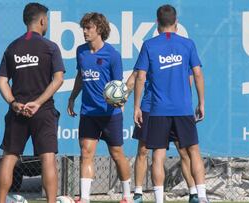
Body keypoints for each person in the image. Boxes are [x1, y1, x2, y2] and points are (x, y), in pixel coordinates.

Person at [133, 4, 209, 203]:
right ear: (176, 23)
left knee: (158, 154)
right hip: (183, 109)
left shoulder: (149, 45)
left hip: (158, 110)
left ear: (157, 24)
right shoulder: (188, 44)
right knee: (193, 152)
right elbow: (198, 74)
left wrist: (137, 106)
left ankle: (159, 199)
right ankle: (202, 197)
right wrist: (201, 103)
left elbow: (140, 77)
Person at [0, 3, 65, 203]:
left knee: (9, 157)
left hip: (18, 111)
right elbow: (58, 79)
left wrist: (13, 103)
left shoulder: (12, 47)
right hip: (42, 111)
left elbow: (1, 81)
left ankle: (0, 201)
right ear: (42, 20)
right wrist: (38, 102)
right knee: (48, 158)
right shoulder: (50, 46)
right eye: (47, 21)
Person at [67, 12, 131, 203]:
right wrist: (72, 98)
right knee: (86, 152)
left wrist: (120, 103)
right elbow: (80, 76)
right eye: (83, 28)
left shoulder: (112, 55)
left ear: (100, 29)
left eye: (89, 28)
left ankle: (128, 195)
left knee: (117, 154)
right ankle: (84, 198)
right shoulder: (81, 51)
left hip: (110, 114)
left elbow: (118, 86)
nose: (85, 32)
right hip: (88, 112)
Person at [127, 71, 198, 203]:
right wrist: (122, 97)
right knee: (143, 150)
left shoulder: (181, 51)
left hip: (174, 109)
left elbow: (189, 79)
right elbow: (136, 76)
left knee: (183, 151)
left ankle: (193, 193)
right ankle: (138, 193)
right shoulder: (149, 50)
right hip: (149, 107)